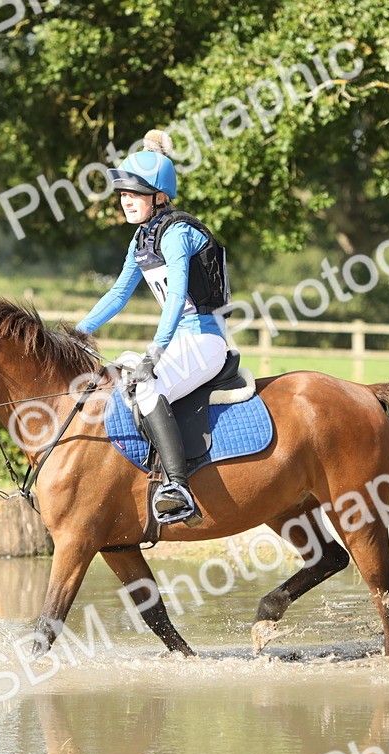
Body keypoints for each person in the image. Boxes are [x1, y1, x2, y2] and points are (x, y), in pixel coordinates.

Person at [75, 129, 232, 527]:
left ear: (159, 196)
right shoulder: (142, 239)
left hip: (205, 340)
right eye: (123, 194)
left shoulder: (178, 234)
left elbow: (176, 299)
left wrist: (155, 351)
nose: (126, 201)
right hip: (179, 342)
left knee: (145, 385)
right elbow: (117, 295)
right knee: (116, 377)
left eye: (136, 194)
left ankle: (178, 487)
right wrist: (75, 333)